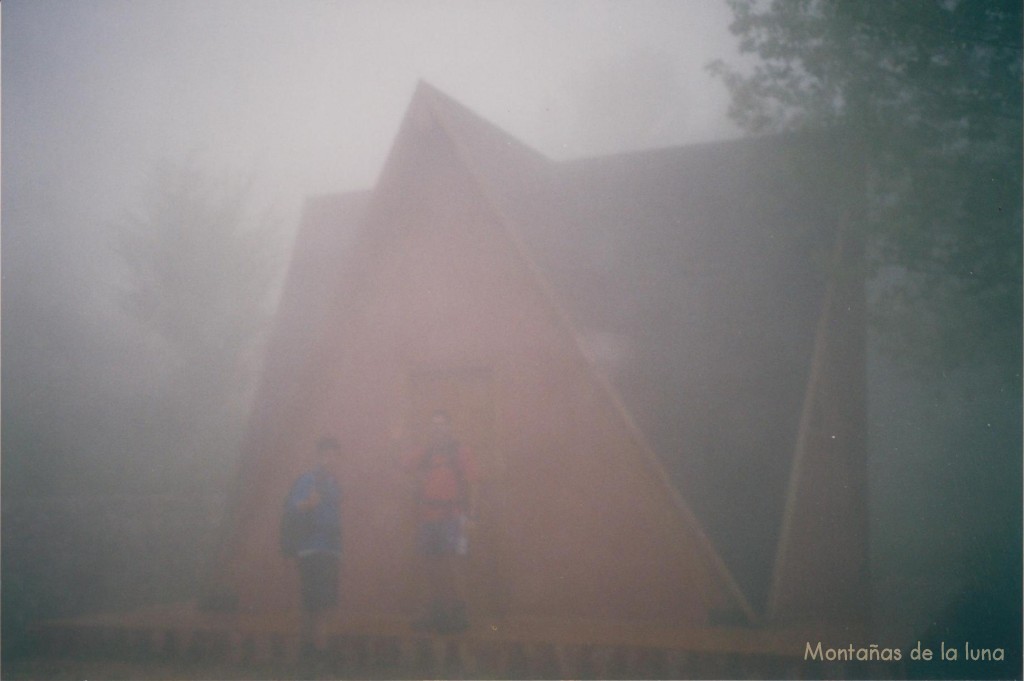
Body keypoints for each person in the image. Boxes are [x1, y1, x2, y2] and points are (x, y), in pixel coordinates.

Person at [409, 410, 475, 633]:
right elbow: (401, 465)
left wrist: (470, 516)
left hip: (453, 516)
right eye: (434, 425)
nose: (438, 429)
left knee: (455, 565)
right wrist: (395, 439)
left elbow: (472, 484)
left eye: (442, 425)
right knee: (430, 566)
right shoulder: (424, 453)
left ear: (449, 428)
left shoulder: (460, 452)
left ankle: (460, 613)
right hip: (428, 517)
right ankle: (435, 612)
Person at [282, 436, 343, 655]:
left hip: (331, 549)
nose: (330, 458)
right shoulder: (308, 479)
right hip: (312, 549)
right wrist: (308, 503)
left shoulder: (333, 482)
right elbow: (293, 506)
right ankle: (312, 652)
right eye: (325, 454)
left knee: (324, 604)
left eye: (333, 454)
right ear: (318, 456)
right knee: (313, 603)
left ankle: (317, 651)